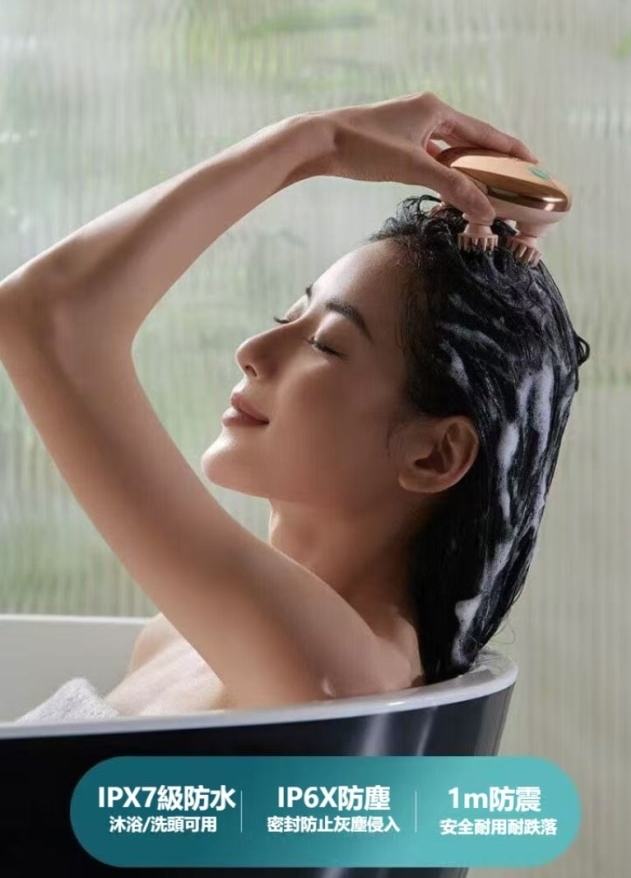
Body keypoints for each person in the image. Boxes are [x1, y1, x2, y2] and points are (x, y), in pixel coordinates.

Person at [0, 92, 589, 719]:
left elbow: (48, 318)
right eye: (287, 317)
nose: (252, 351)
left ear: (435, 454)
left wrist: (317, 141)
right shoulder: (182, 638)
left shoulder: (327, 670)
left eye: (326, 344)